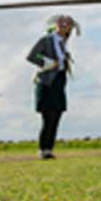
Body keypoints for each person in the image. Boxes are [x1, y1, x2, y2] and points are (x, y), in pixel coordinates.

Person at [26, 14, 79, 159]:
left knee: (57, 116)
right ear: (55, 24)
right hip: (46, 81)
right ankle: (42, 149)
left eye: (67, 23)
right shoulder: (46, 40)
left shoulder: (63, 43)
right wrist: (49, 63)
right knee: (48, 116)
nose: (64, 24)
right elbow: (32, 56)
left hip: (59, 82)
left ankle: (49, 149)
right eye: (61, 22)